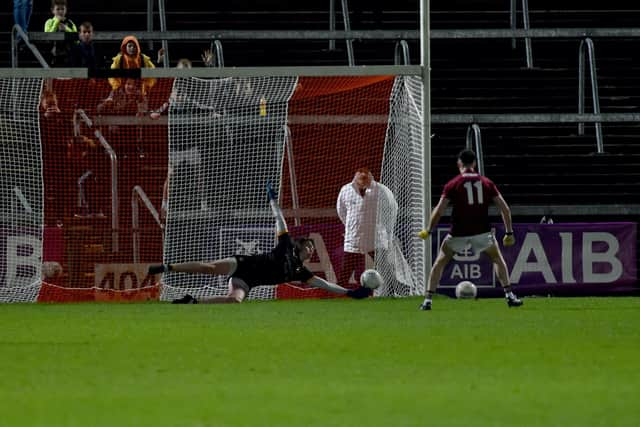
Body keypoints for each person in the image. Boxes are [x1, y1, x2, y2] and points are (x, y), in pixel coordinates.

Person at [148, 183, 373, 303]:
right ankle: (168, 267)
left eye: (313, 248)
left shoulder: (300, 271)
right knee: (210, 268)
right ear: (300, 247)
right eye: (309, 247)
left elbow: (326, 285)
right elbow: (279, 220)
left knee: (234, 302)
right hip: (242, 264)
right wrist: (273, 200)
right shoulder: (286, 246)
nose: (312, 250)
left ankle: (193, 300)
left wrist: (350, 293)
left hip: (247, 282)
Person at [418, 149, 522, 310]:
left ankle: (427, 300)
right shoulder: (487, 183)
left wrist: (429, 230)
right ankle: (510, 296)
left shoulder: (452, 184)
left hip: (458, 233)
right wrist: (509, 232)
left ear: (459, 163)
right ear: (474, 163)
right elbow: (505, 209)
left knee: (439, 263)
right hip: (482, 232)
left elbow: (439, 210)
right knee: (497, 259)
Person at [336, 168, 396, 288]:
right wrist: (350, 226)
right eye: (361, 177)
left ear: (371, 177)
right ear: (355, 177)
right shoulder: (346, 190)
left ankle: (390, 292)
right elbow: (341, 211)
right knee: (345, 271)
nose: (363, 180)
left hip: (376, 238)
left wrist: (386, 228)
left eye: (366, 177)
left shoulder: (381, 190)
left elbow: (392, 209)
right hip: (354, 238)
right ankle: (337, 294)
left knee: (385, 268)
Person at [106, 35, 156, 100]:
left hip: (139, 88)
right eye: (129, 46)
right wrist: (116, 86)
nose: (132, 48)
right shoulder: (119, 59)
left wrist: (147, 85)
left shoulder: (143, 59)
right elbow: (111, 74)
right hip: (121, 88)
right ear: (125, 47)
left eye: (134, 46)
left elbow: (153, 72)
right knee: (112, 99)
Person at [44, 0, 77, 67]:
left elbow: (77, 40)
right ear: (52, 10)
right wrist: (56, 22)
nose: (60, 11)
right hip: (53, 55)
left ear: (66, 10)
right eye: (58, 9)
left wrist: (66, 29)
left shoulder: (70, 22)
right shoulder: (49, 22)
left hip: (68, 55)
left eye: (62, 9)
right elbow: (47, 37)